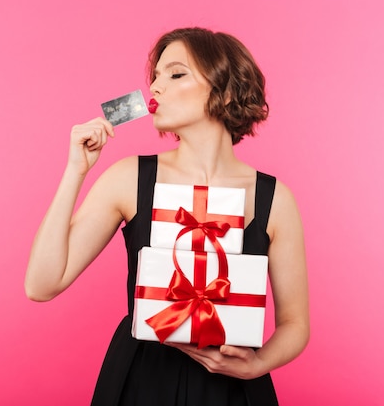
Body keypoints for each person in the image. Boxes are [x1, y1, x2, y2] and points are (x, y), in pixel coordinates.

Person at [25, 27, 309, 406]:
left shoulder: (275, 199)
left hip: (232, 389)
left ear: (224, 90)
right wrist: (76, 171)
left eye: (175, 74)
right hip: (141, 379)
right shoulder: (128, 178)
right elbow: (41, 285)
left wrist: (255, 365)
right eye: (155, 76)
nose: (155, 88)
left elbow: (296, 324)